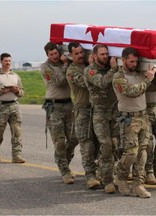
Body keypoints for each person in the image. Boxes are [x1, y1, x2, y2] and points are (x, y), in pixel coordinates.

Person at [112, 47, 156, 198]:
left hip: (143, 117)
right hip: (129, 119)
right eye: (131, 61)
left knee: (142, 153)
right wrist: (148, 80)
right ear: (123, 60)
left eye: (136, 61)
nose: (134, 64)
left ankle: (138, 184)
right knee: (131, 153)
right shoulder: (118, 77)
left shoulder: (140, 73)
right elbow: (132, 92)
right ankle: (121, 177)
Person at [40, 42, 78, 184]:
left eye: (56, 53)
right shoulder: (45, 68)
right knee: (60, 141)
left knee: (74, 138)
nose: (54, 56)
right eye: (51, 54)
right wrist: (66, 64)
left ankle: (64, 164)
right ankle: (65, 171)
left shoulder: (65, 63)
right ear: (47, 55)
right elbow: (60, 82)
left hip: (68, 105)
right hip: (54, 107)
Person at [84, 44, 119, 194]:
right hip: (100, 113)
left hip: (114, 112)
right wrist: (113, 69)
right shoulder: (90, 70)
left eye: (107, 54)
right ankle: (107, 180)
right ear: (95, 56)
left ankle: (110, 173)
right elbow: (102, 82)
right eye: (102, 54)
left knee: (115, 144)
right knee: (105, 145)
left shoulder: (111, 69)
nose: (105, 56)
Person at [66, 42, 101, 189]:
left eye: (82, 52)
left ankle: (100, 171)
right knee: (87, 144)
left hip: (97, 108)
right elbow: (88, 82)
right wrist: (93, 66)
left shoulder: (90, 66)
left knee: (100, 143)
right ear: (70, 55)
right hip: (83, 110)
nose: (80, 55)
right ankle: (90, 176)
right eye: (76, 53)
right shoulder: (71, 71)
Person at [0, 53, 25, 163]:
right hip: (1, 107)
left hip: (14, 105)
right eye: (6, 61)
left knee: (17, 131)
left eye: (9, 61)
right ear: (1, 61)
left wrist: (17, 91)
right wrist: (1, 91)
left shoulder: (15, 76)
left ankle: (17, 155)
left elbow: (22, 91)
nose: (8, 63)